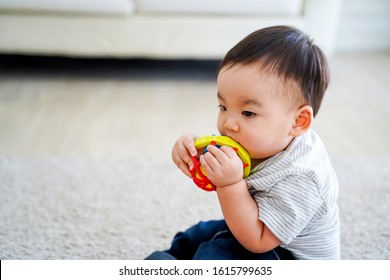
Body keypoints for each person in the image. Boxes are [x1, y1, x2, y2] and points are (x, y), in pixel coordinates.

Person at [145, 25, 340, 260]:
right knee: (200, 234)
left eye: (247, 113)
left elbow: (258, 240)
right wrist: (195, 149)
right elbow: (230, 146)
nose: (228, 124)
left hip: (284, 254)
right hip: (255, 223)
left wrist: (230, 184)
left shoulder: (302, 177)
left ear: (298, 121)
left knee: (216, 252)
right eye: (223, 107)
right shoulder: (271, 135)